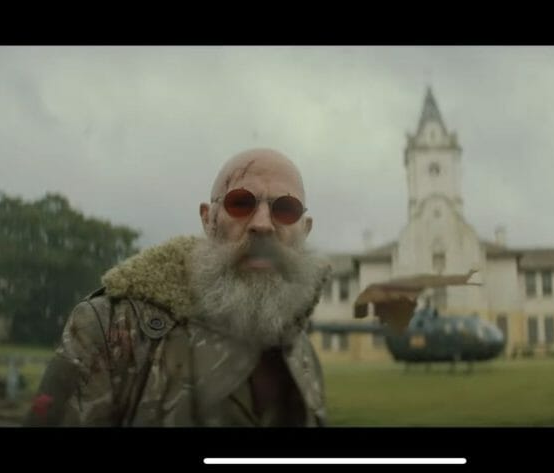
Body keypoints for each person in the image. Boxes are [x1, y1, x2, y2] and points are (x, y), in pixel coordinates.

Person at [24, 148, 331, 427]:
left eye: (286, 209)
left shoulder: (300, 351)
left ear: (304, 230)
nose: (262, 224)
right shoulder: (112, 329)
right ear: (208, 219)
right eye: (241, 203)